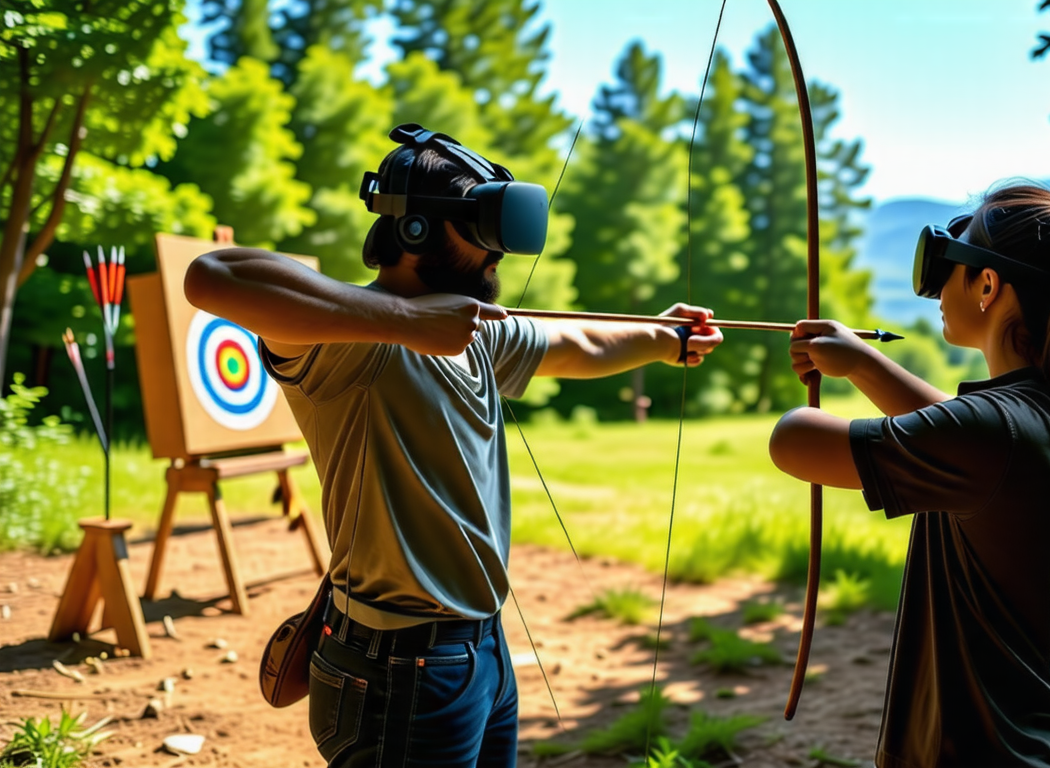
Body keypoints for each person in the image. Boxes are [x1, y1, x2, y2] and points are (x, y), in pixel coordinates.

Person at [183, 124, 723, 768]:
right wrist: (404, 321)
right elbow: (212, 276)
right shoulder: (341, 336)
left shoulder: (472, 334)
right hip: (400, 664)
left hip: (482, 651)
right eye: (482, 233)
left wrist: (663, 338)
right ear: (415, 231)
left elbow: (577, 345)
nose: (499, 256)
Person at [770, 184, 1050, 768]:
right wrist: (861, 362)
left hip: (970, 747)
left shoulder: (994, 431)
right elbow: (958, 430)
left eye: (952, 268)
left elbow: (792, 443)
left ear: (988, 285)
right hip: (1035, 737)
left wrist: (801, 405)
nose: (939, 290)